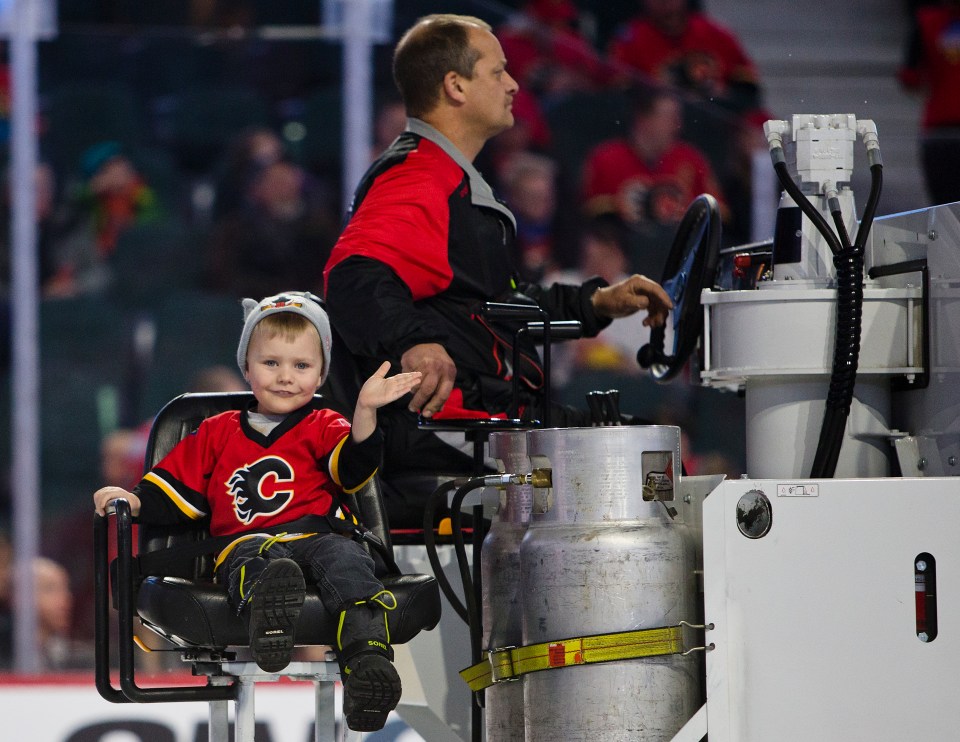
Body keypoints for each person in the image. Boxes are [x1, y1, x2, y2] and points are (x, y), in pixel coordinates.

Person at [323, 14, 673, 480]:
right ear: (456, 86)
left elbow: (497, 306)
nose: (512, 84)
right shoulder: (419, 178)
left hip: (489, 416)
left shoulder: (446, 177)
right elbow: (351, 276)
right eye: (497, 72)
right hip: (451, 424)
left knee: (653, 446)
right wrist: (414, 344)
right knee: (647, 461)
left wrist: (597, 302)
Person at [92, 291, 422, 732]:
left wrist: (365, 410)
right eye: (271, 364)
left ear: (321, 373)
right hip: (246, 545)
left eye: (301, 366)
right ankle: (267, 610)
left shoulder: (326, 425)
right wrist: (131, 498)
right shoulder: (215, 432)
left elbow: (355, 467)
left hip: (317, 540)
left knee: (347, 560)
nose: (286, 377)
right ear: (246, 368)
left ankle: (366, 664)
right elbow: (170, 491)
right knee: (247, 559)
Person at [581, 85, 727, 228]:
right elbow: (589, 219)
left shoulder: (691, 159)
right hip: (625, 248)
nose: (678, 126)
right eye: (670, 118)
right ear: (644, 120)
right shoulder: (605, 160)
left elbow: (719, 216)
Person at [607, 0, 763, 117]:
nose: (666, 2)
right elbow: (617, 96)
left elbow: (748, 89)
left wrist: (724, 94)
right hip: (663, 133)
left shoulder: (716, 34)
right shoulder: (630, 40)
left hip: (718, 123)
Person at [898, 0, 960, 205]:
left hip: (938, 131)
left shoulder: (927, 21)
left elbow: (909, 77)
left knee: (945, 213)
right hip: (939, 132)